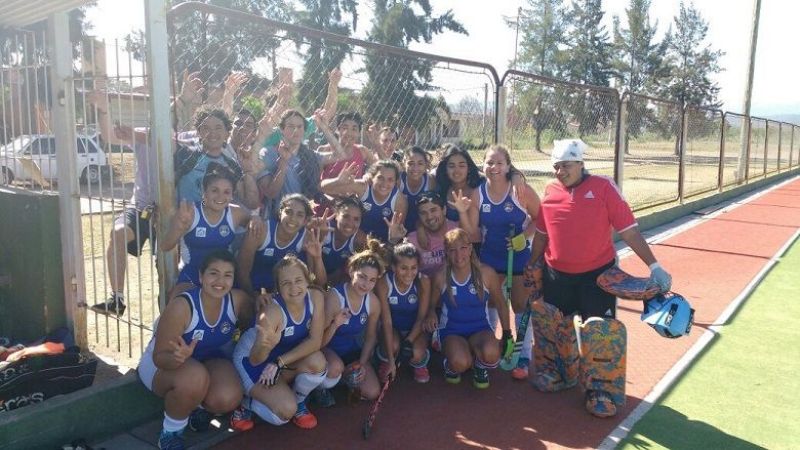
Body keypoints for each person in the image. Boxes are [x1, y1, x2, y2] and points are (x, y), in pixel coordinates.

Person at [527, 139, 672, 417]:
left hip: (596, 277)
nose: (560, 172)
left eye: (566, 166)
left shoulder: (604, 188)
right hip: (556, 275)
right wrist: (533, 264)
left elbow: (629, 231)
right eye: (556, 166)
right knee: (557, 328)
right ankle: (561, 374)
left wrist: (654, 266)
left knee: (600, 332)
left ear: (581, 164)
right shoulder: (550, 191)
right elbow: (542, 236)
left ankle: (600, 390)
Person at [137, 250, 254, 450]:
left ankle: (197, 407)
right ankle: (170, 433)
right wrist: (177, 357)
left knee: (228, 396)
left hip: (205, 361)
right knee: (194, 377)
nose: (220, 281)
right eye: (213, 273)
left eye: (227, 275)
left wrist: (264, 302)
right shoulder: (183, 306)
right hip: (162, 366)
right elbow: (160, 357)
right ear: (201, 276)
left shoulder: (238, 301)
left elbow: (253, 323)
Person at [464, 145, 540, 380]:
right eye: (489, 162)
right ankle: (493, 347)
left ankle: (523, 355)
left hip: (519, 256)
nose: (494, 167)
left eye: (499, 163)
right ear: (483, 165)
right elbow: (473, 231)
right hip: (490, 257)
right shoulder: (478, 193)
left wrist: (523, 237)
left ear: (508, 166)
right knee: (490, 303)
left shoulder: (520, 189)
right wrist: (463, 212)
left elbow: (540, 218)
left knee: (519, 305)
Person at [231, 255, 327, 430]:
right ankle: (247, 403)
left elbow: (315, 342)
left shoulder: (316, 297)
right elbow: (255, 360)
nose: (294, 288)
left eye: (298, 280)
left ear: (308, 280)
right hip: (251, 360)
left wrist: (279, 362)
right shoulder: (271, 313)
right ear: (277, 289)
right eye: (286, 283)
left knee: (318, 361)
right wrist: (266, 346)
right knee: (284, 413)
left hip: (279, 359)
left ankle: (299, 402)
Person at [424, 228, 514, 389]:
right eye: (452, 250)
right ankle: (451, 363)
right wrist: (431, 313)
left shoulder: (486, 273)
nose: (458, 255)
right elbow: (432, 305)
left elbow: (501, 304)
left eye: (463, 248)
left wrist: (507, 334)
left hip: (480, 329)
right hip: (452, 331)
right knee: (460, 364)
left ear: (471, 248)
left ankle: (479, 365)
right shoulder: (440, 276)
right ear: (446, 252)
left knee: (492, 355)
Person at [160, 166, 252, 298]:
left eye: (226, 192)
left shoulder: (236, 213)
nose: (220, 196)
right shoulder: (190, 212)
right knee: (178, 302)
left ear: (232, 195)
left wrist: (256, 220)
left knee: (244, 302)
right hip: (192, 275)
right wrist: (179, 228)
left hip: (223, 277)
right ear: (204, 191)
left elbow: (255, 222)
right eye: (215, 190)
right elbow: (165, 246)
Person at [315, 240, 386, 406]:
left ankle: (343, 379)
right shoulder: (335, 298)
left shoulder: (373, 302)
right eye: (362, 277)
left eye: (372, 280)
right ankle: (319, 387)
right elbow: (318, 342)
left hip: (350, 351)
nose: (366, 284)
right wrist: (335, 324)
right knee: (335, 368)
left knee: (372, 392)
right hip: (326, 349)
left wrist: (362, 363)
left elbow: (370, 337)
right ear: (351, 271)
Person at [237, 194, 326, 294]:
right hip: (252, 289)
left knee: (318, 295)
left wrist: (318, 258)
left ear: (305, 221)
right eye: (288, 212)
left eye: (299, 215)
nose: (293, 219)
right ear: (280, 213)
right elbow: (242, 271)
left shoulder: (307, 238)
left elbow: (316, 281)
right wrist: (254, 297)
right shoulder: (260, 230)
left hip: (285, 293)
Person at [174, 108, 260, 209]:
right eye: (206, 128)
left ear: (227, 133)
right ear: (198, 132)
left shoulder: (232, 166)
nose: (212, 133)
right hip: (186, 216)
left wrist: (247, 171)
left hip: (216, 218)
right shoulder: (186, 155)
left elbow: (252, 204)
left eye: (218, 128)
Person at [374, 242, 431, 383]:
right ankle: (386, 360)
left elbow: (421, 318)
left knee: (416, 353)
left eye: (414, 268)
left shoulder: (424, 281)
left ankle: (420, 363)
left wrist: (408, 342)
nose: (409, 273)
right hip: (392, 328)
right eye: (403, 268)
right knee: (393, 346)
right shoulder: (383, 283)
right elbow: (386, 322)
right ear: (394, 267)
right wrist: (391, 360)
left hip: (415, 329)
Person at [320, 160, 408, 243]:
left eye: (390, 179)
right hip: (355, 237)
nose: (385, 183)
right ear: (372, 177)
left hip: (382, 243)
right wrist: (337, 181)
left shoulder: (399, 201)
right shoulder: (363, 187)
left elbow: (396, 234)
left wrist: (393, 239)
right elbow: (323, 188)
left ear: (395, 182)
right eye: (380, 178)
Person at [314, 196, 368, 286]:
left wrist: (327, 287)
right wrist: (313, 227)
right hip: (314, 277)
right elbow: (311, 268)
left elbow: (346, 272)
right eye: (346, 216)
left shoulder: (360, 239)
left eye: (356, 219)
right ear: (336, 215)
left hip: (335, 282)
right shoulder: (323, 229)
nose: (350, 223)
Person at [400, 146, 435, 234]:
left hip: (422, 226)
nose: (415, 168)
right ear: (404, 164)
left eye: (420, 164)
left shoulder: (430, 181)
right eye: (411, 163)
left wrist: (421, 229)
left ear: (426, 165)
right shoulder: (398, 180)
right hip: (399, 224)